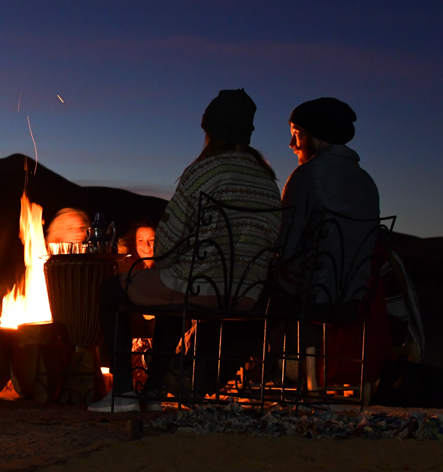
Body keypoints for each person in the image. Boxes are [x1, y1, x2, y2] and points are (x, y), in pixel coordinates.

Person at [90, 89, 282, 412]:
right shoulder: (268, 182)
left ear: (211, 132)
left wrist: (164, 264)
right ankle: (151, 393)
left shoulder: (204, 171)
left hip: (200, 285)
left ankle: (122, 391)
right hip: (246, 294)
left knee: (112, 291)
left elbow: (168, 239)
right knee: (175, 292)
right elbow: (272, 238)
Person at [276, 97, 380, 302]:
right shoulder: (366, 181)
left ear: (315, 135)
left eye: (296, 134)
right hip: (355, 296)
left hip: (309, 295)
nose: (291, 144)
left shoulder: (307, 175)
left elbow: (285, 247)